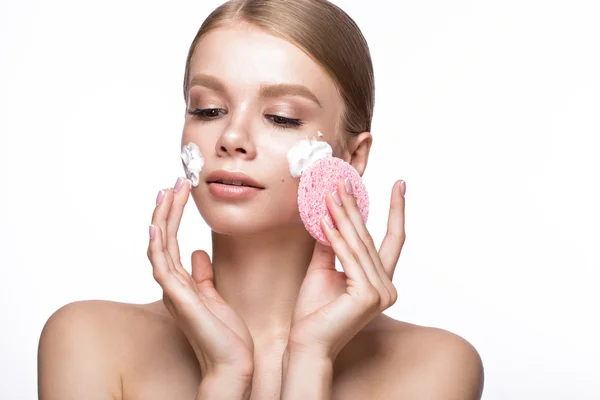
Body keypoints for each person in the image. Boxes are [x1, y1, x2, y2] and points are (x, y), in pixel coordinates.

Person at [37, 0, 484, 399]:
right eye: (208, 109)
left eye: (281, 117)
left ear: (354, 155)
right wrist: (224, 376)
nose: (231, 137)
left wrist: (310, 361)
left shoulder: (435, 367)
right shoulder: (87, 342)